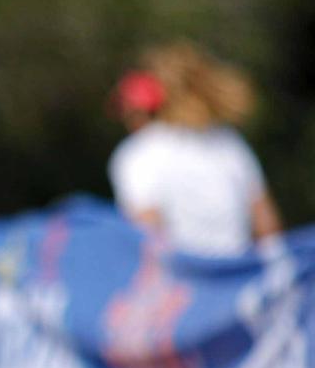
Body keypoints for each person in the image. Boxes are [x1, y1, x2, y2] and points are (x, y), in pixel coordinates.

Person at [108, 43, 283, 258]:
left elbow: (147, 235)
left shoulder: (136, 155)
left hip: (184, 286)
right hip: (237, 279)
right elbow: (267, 228)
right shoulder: (229, 141)